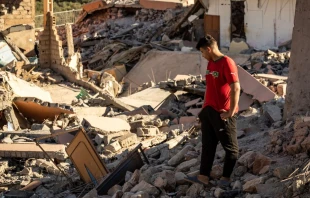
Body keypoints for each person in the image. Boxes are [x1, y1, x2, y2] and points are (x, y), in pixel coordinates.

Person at [189, 35, 241, 188]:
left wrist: (231, 111)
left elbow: (236, 87)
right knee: (208, 145)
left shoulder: (227, 63)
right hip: (209, 112)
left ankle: (225, 178)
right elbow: (210, 87)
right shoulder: (211, 63)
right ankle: (203, 176)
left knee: (231, 148)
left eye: (202, 52)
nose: (202, 56)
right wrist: (203, 110)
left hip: (222, 112)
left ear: (208, 49)